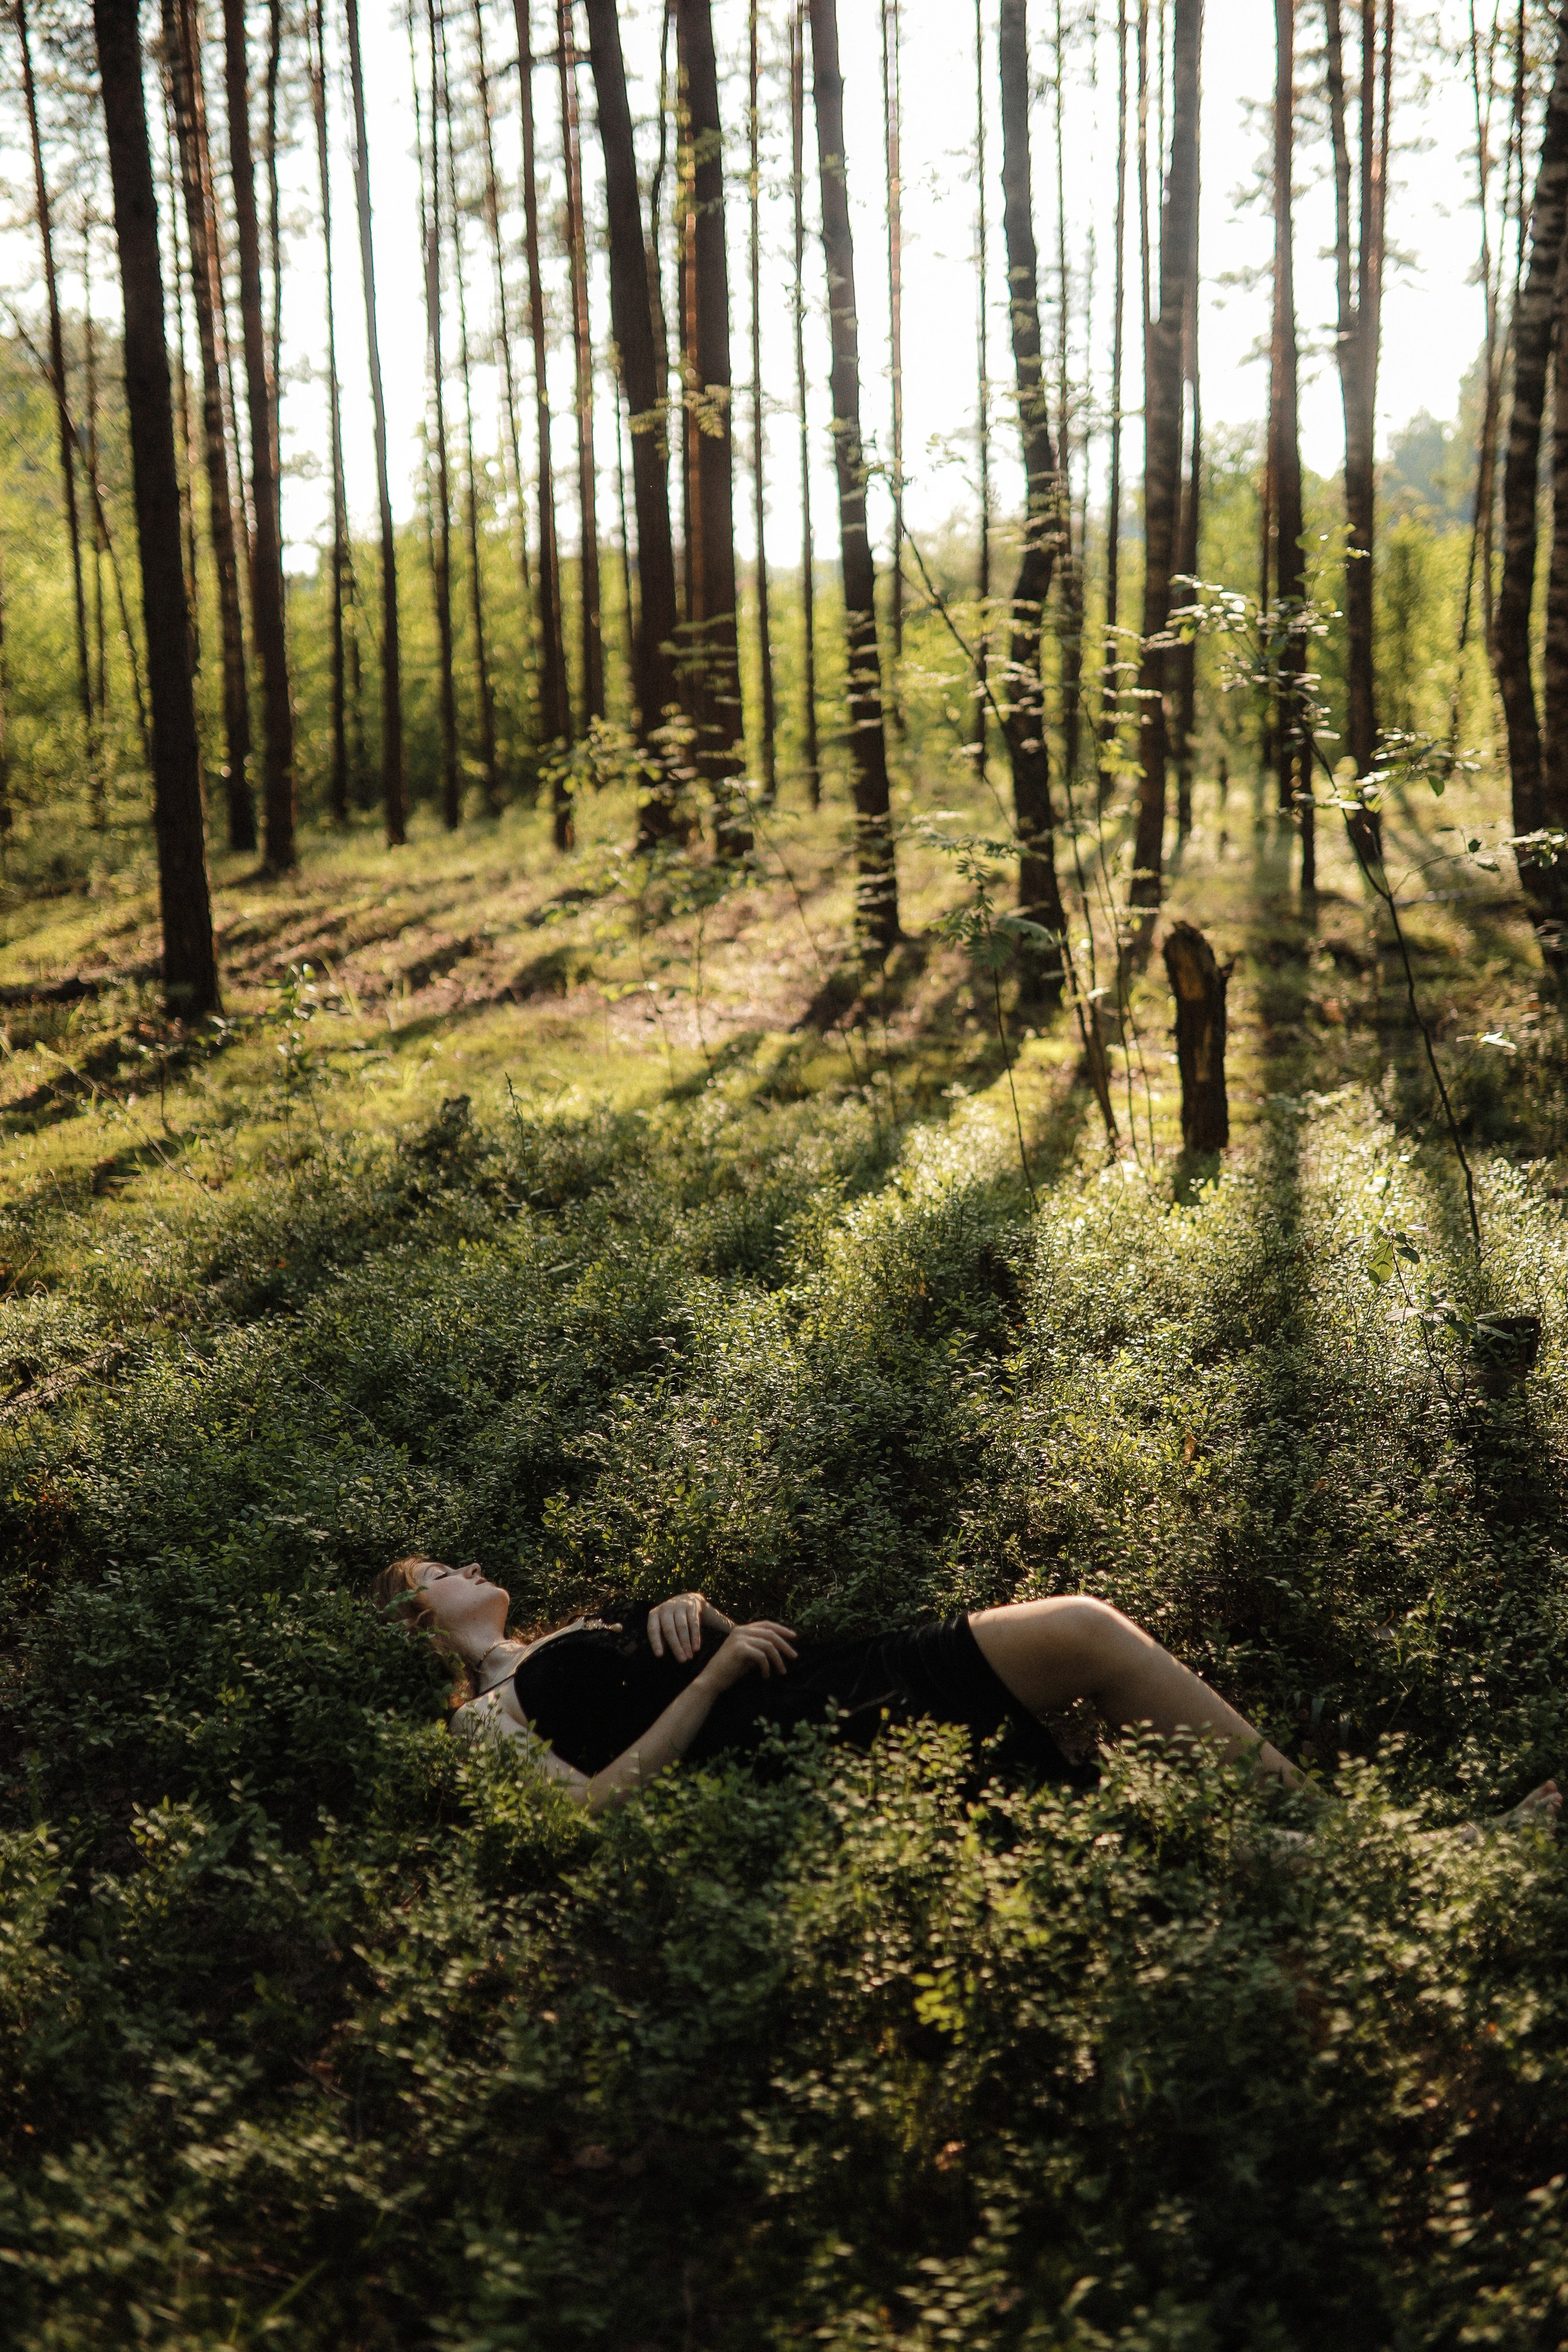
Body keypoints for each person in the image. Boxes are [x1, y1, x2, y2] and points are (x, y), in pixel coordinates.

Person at [373, 1555, 1387, 1818]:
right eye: (439, 1574)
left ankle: (1371, 1851)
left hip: (818, 1679)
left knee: (1090, 1637)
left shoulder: (572, 1629)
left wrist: (699, 1612)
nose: (466, 1568)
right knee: (1083, 1634)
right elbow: (594, 1808)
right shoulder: (479, 1726)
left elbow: (740, 1652)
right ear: (422, 1622)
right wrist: (715, 1673)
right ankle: (1372, 1857)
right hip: (792, 1740)